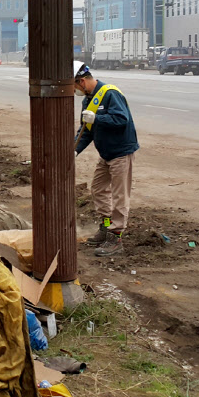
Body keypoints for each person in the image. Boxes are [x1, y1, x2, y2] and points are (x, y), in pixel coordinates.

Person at [73, 61, 139, 257]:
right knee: (99, 189)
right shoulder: (88, 100)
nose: (75, 91)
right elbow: (86, 131)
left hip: (121, 153)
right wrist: (74, 150)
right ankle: (106, 225)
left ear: (82, 81)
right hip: (106, 154)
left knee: (120, 196)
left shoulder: (110, 94)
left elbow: (121, 119)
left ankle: (116, 238)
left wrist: (98, 118)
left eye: (75, 86)